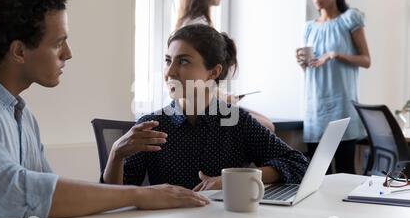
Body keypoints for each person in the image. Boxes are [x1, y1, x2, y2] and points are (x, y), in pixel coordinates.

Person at [0, 0, 209, 218]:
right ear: (19, 51)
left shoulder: (22, 115)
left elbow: (48, 199)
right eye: (58, 43)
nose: (68, 53)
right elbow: (9, 194)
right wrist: (140, 194)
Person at [104, 24, 308, 190]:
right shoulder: (152, 126)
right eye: (168, 60)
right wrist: (116, 154)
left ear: (213, 73)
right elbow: (114, 197)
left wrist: (232, 180)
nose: (170, 72)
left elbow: (298, 164)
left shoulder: (236, 121)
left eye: (183, 62)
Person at [176, 0, 275, 132]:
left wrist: (224, 97)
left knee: (266, 123)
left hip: (205, 99)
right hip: (200, 105)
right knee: (266, 126)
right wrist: (222, 98)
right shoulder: (198, 28)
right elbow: (198, 81)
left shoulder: (193, 23)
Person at [296, 0, 371, 174]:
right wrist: (302, 63)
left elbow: (366, 60)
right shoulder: (309, 27)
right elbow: (311, 71)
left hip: (342, 109)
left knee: (346, 174)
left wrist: (335, 54)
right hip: (315, 111)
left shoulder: (350, 19)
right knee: (318, 177)